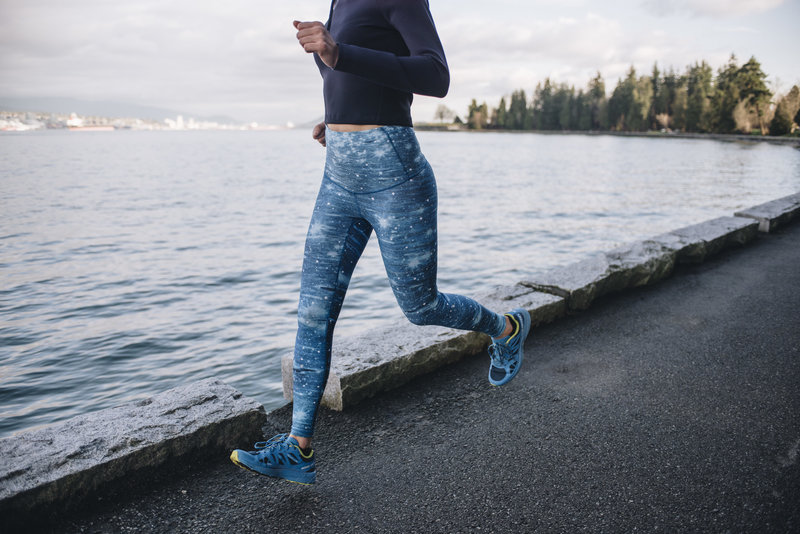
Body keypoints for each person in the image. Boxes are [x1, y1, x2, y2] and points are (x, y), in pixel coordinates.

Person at [230, 0, 531, 485]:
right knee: (313, 310)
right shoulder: (339, 2)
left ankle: (506, 329)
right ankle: (298, 447)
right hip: (339, 175)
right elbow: (348, 72)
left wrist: (338, 52)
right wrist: (338, 119)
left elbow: (435, 76)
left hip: (396, 176)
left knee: (420, 305)